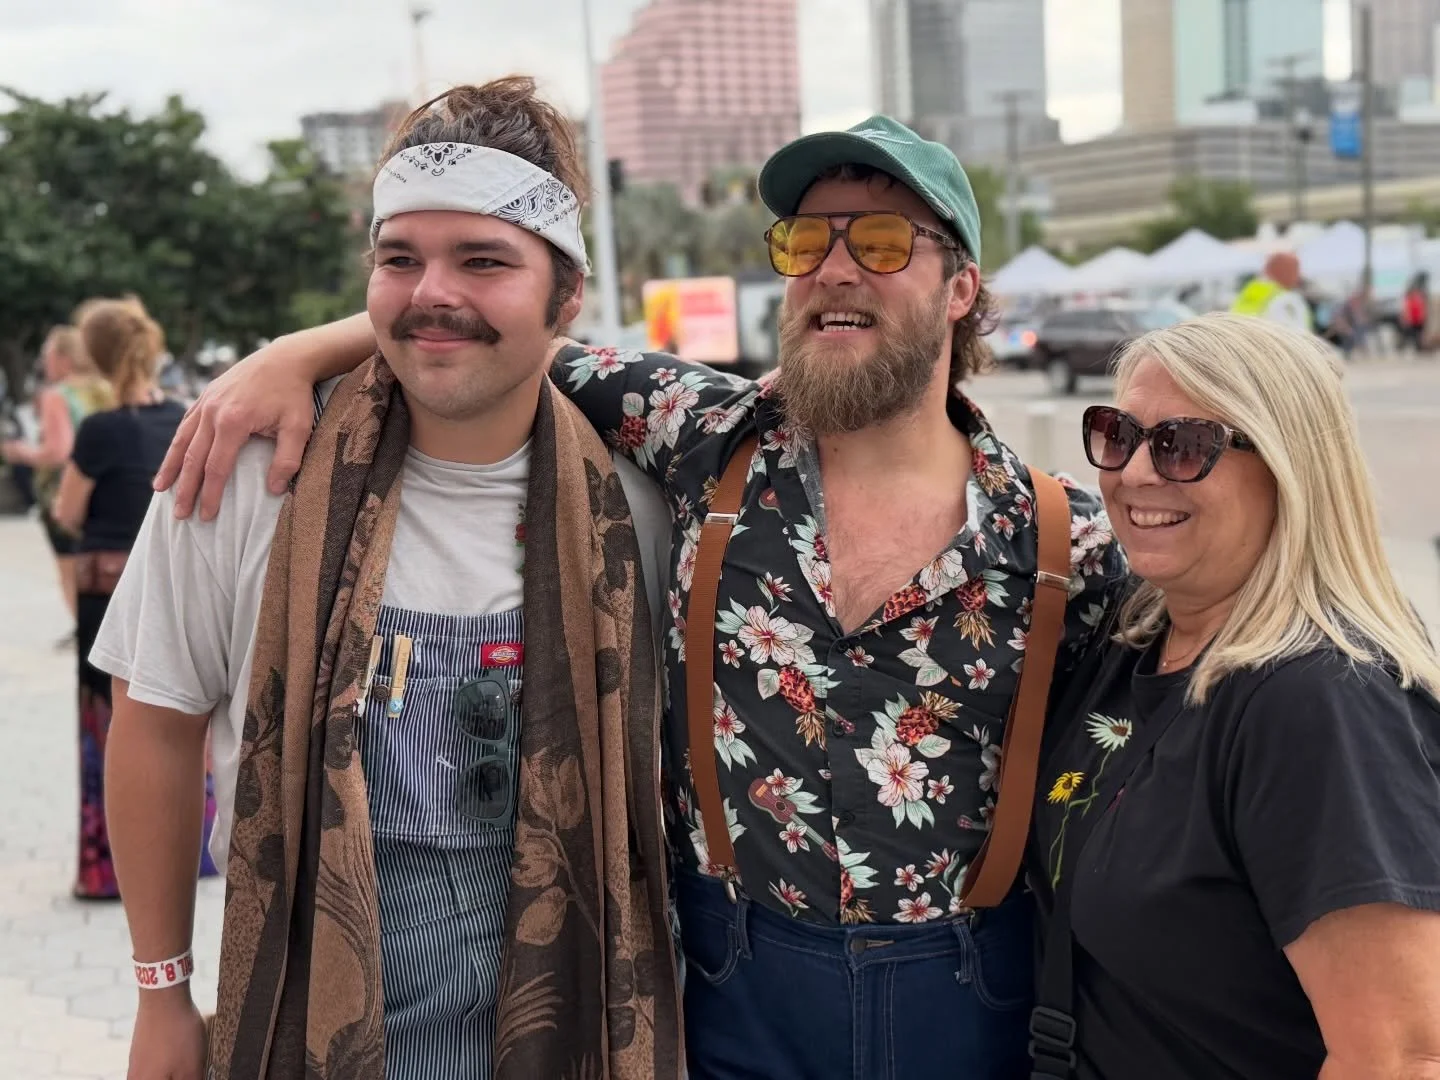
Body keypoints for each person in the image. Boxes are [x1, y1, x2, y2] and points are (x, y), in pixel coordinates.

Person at [152, 112, 1126, 1077]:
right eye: (804, 240)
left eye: (878, 241)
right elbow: (486, 331)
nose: (833, 268)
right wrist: (290, 356)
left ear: (961, 287)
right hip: (737, 989)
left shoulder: (1063, 540)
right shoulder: (707, 438)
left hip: (971, 1000)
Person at [89, 79, 681, 1080]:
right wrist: (162, 995)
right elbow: (154, 713)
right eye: (398, 259)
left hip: (564, 1031)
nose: (431, 291)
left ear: (567, 297)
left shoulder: (641, 505)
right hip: (300, 1031)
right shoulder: (247, 468)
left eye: (483, 260)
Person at [1027, 313, 1440, 1079]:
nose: (1136, 473)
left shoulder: (1320, 703)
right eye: (1119, 434)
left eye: (1185, 445)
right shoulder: (1135, 637)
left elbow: (1400, 1056)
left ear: (1289, 467)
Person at [42, 298, 218, 901]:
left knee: (108, 726)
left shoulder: (98, 430)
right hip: (175, 586)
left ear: (93, 354)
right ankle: (197, 851)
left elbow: (67, 511)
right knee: (182, 715)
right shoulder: (183, 416)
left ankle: (105, 868)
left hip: (106, 593)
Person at [1, 324, 113, 631]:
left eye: (46, 354)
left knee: (70, 571)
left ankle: (87, 634)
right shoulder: (105, 388)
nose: (43, 362)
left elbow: (58, 451)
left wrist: (21, 451)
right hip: (107, 492)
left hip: (65, 493)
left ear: (64, 358)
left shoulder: (58, 396)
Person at [1229, 251, 1313, 334]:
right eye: (1295, 269)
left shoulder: (1250, 290)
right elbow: (1296, 336)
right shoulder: (1286, 299)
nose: (1298, 276)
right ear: (1283, 271)